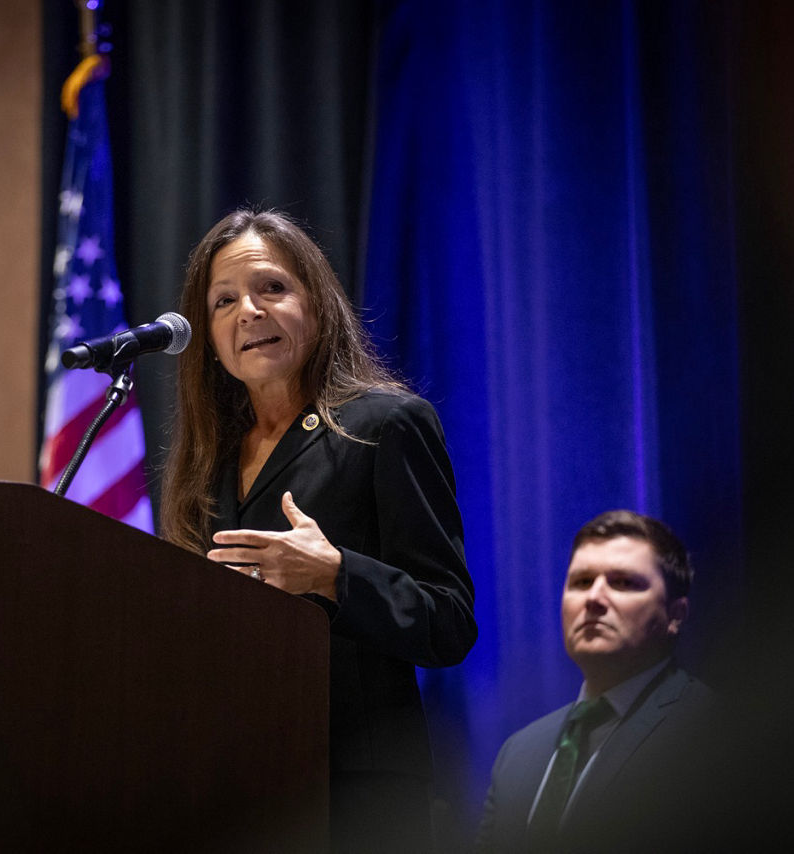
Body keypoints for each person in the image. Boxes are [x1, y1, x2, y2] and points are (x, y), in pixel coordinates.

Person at [160, 208, 477, 853]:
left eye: (272, 288)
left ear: (317, 301)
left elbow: (449, 623)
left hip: (356, 795)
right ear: (211, 340)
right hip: (237, 786)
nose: (249, 311)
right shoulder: (205, 463)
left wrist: (336, 576)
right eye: (224, 302)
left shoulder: (385, 425)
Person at [476, 510, 715, 853]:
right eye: (581, 582)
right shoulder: (517, 753)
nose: (594, 598)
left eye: (622, 582)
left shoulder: (713, 731)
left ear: (675, 614)